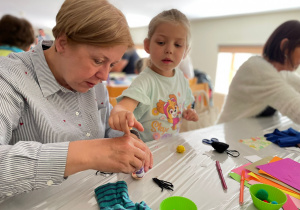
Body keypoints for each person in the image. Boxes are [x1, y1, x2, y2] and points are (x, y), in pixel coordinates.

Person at [0, 0, 152, 200]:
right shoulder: (9, 77)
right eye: (98, 60)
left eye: (112, 64)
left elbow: (107, 131)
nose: (104, 76)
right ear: (62, 43)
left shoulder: (93, 82)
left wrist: (127, 139)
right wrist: (92, 153)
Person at [108, 9, 199, 142]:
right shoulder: (145, 80)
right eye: (161, 42)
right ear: (147, 45)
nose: (169, 50)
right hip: (145, 150)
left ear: (186, 52)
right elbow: (124, 105)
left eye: (178, 45)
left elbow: (184, 105)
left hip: (170, 146)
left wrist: (188, 111)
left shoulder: (181, 78)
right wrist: (120, 111)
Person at [217, 20, 300, 124]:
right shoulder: (256, 69)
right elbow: (295, 108)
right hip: (224, 133)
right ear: (285, 46)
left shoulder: (283, 73)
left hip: (247, 132)